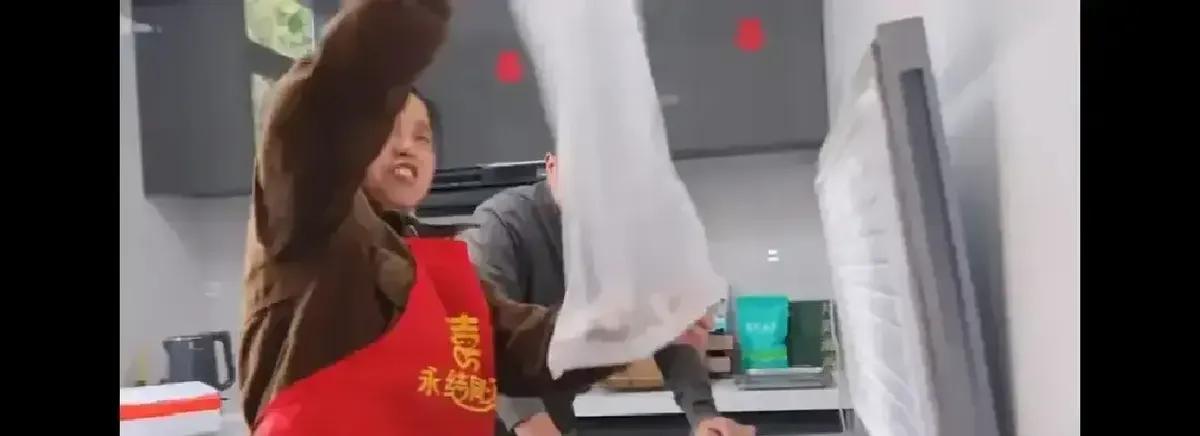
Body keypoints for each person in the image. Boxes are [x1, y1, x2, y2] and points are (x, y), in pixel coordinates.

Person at [239, 1, 623, 434]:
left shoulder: (435, 263)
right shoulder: (309, 215)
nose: (407, 146)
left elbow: (521, 347)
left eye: (422, 137)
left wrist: (631, 323)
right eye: (389, 130)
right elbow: (326, 103)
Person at [461, 152, 756, 436]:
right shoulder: (501, 223)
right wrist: (532, 424)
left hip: (557, 418)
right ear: (552, 166)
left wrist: (703, 415)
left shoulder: (620, 236)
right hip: (483, 421)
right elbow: (484, 336)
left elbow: (667, 328)